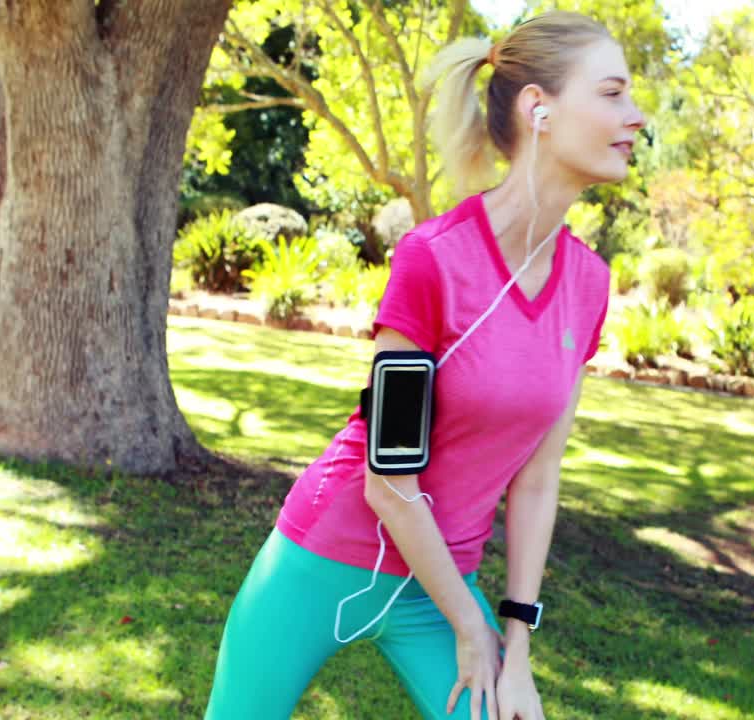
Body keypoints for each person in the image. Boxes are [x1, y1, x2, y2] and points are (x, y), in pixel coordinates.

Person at [205, 10, 646, 720]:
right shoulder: (435, 259)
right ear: (539, 108)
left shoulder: (589, 286)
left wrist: (515, 648)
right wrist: (470, 628)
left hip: (436, 587)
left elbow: (537, 479)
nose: (636, 115)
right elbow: (388, 480)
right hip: (324, 558)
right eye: (612, 93)